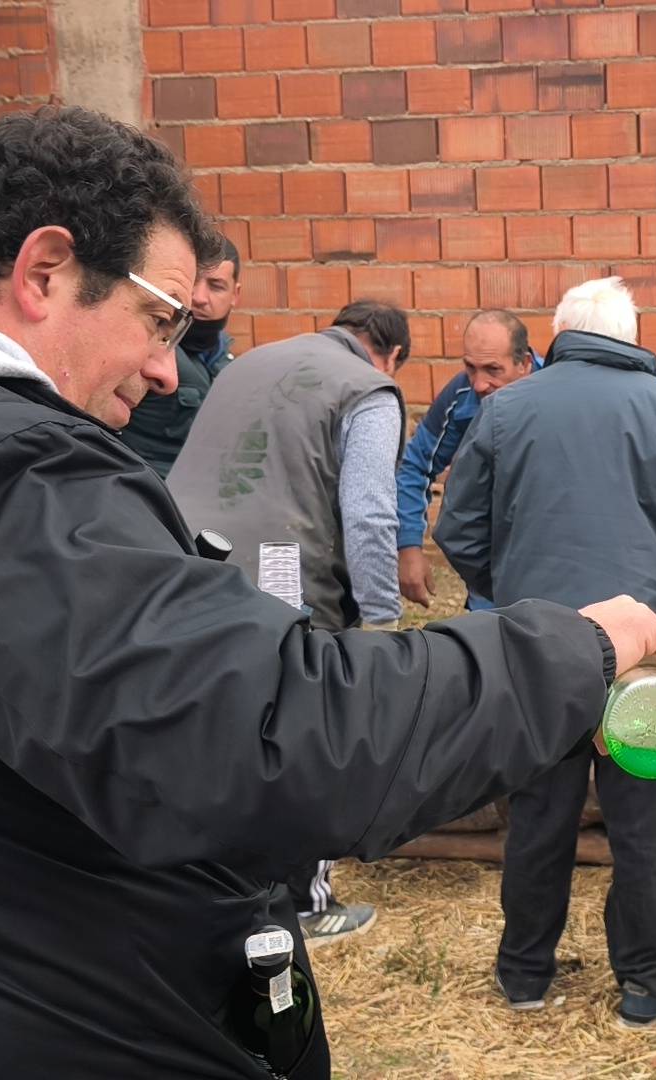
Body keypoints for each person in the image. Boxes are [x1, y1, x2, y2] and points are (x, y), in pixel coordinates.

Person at [0, 106, 656, 1079]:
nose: (167, 370)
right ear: (44, 273)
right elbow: (278, 738)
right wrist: (577, 648)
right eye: (157, 317)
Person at [436, 277, 656, 1028]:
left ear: (561, 333)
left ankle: (523, 975)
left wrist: (506, 591)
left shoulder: (506, 408)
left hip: (535, 644)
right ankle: (645, 978)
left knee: (538, 808)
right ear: (630, 334)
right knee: (642, 814)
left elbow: (457, 530)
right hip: (640, 659)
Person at [169, 297, 413, 944]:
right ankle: (305, 903)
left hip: (184, 563)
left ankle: (209, 889)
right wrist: (382, 623)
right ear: (390, 354)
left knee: (215, 735)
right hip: (281, 572)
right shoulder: (369, 388)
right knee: (307, 731)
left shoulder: (251, 362)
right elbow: (368, 511)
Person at [395, 309, 541, 610]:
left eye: (492, 369)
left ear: (524, 364)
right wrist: (409, 546)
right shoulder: (462, 395)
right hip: (491, 567)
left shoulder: (557, 395)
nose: (479, 383)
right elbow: (416, 465)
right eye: (470, 368)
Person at [120, 234, 242, 477]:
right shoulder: (142, 349)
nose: (199, 297)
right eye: (194, 282)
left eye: (216, 286)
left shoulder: (227, 363)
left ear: (235, 295)